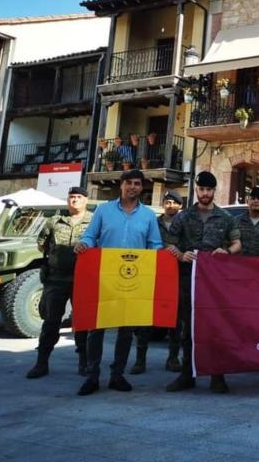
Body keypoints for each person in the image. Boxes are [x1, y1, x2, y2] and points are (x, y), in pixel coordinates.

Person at [74, 169, 164, 396]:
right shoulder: (104, 211)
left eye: (137, 183)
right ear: (121, 185)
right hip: (105, 277)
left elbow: (155, 244)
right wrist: (83, 244)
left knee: (126, 330)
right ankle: (93, 374)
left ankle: (117, 374)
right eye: (129, 183)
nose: (133, 187)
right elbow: (90, 236)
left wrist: (160, 254)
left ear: (141, 188)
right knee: (97, 328)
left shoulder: (148, 216)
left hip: (133, 279)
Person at [165, 171, 241, 394]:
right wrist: (180, 255)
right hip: (189, 279)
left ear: (214, 191)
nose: (205, 194)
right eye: (202, 190)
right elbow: (169, 245)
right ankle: (187, 374)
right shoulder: (183, 216)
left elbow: (237, 244)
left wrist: (226, 251)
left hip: (215, 284)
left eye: (209, 190)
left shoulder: (225, 218)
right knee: (188, 329)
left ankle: (217, 376)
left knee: (217, 329)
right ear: (196, 190)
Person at [25, 186, 93, 379]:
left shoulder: (94, 221)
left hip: (83, 279)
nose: (74, 201)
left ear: (86, 200)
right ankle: (41, 362)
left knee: (82, 322)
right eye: (71, 197)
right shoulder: (54, 221)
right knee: (51, 321)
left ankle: (84, 362)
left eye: (79, 197)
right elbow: (43, 245)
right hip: (56, 279)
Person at [130, 191, 184, 375]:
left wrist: (180, 253)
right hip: (151, 275)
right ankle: (140, 360)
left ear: (180, 206)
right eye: (167, 202)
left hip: (176, 275)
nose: (170, 205)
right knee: (145, 318)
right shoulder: (152, 222)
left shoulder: (185, 223)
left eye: (174, 203)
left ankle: (173, 358)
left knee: (175, 321)